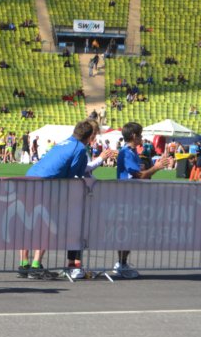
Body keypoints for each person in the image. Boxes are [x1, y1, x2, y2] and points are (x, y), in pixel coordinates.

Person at [18, 120, 95, 280]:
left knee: (29, 222)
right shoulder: (80, 148)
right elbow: (75, 173)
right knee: (46, 225)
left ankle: (24, 263)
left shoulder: (64, 142)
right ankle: (35, 265)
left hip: (30, 177)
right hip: (46, 183)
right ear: (89, 137)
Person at [112, 122, 170, 279]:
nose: (142, 137)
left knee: (129, 231)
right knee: (126, 231)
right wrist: (156, 167)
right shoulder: (127, 152)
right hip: (127, 197)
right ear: (134, 136)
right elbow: (139, 175)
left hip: (132, 196)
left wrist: (151, 168)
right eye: (140, 134)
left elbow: (141, 173)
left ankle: (122, 262)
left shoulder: (131, 152)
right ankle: (121, 264)